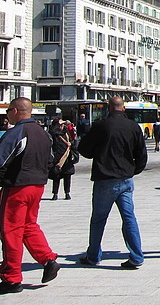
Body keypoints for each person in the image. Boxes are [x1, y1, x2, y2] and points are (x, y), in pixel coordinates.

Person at [77, 96, 147, 269]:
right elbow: (142, 155)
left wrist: (98, 152)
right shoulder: (133, 127)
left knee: (99, 219)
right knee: (129, 218)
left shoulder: (101, 126)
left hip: (105, 178)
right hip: (125, 179)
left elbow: (84, 148)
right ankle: (137, 256)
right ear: (123, 108)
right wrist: (132, 170)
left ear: (109, 108)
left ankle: (93, 255)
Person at [0, 97, 60, 293]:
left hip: (17, 187)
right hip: (37, 186)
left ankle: (12, 277)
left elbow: (1, 161)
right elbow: (50, 162)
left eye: (9, 110)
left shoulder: (16, 132)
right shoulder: (44, 134)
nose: (7, 114)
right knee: (29, 226)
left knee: (11, 231)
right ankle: (48, 259)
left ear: (16, 111)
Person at [49, 119, 76, 200]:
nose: (62, 126)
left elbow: (73, 143)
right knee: (56, 177)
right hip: (57, 159)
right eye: (60, 125)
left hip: (67, 159)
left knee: (67, 176)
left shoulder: (66, 133)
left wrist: (71, 144)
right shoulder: (54, 134)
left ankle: (67, 193)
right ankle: (55, 194)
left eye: (63, 125)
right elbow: (52, 135)